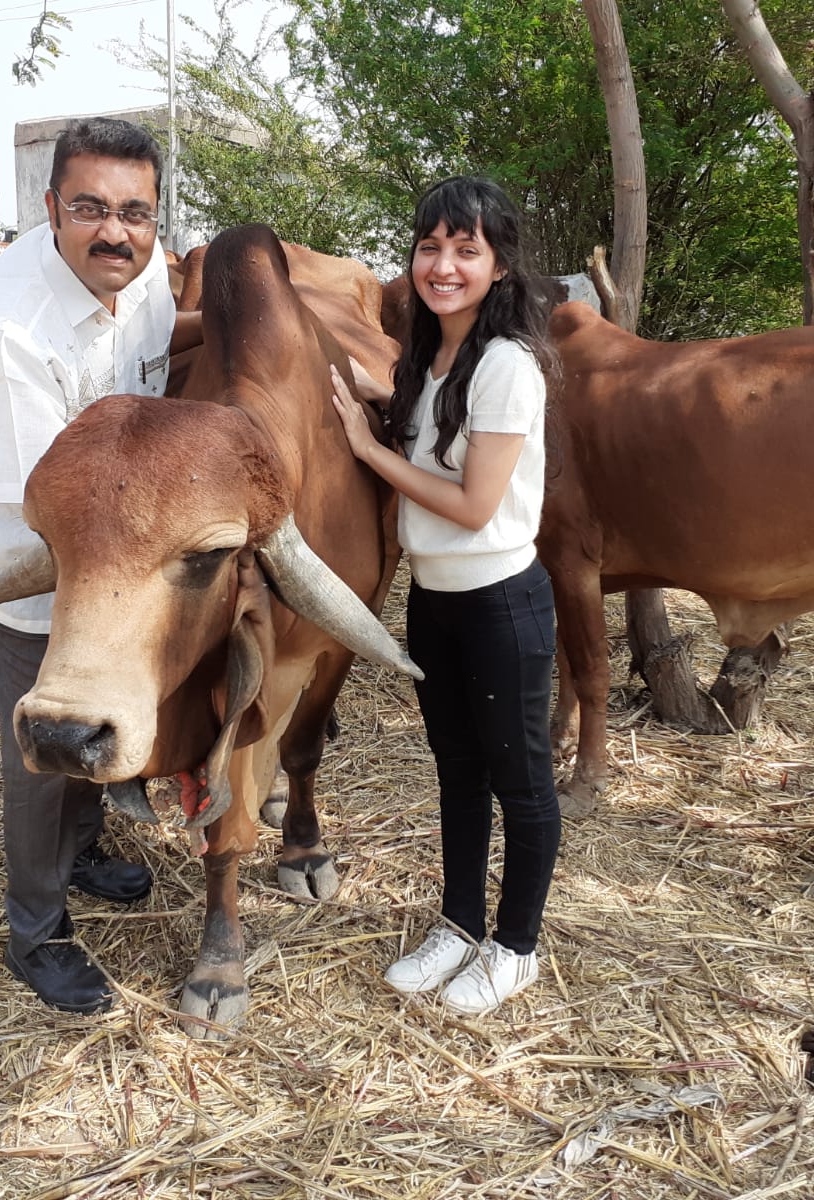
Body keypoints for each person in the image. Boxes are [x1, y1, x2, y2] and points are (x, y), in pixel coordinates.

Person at [0, 117, 200, 1015]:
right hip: (29, 563)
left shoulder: (148, 272)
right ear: (49, 209)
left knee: (105, 716)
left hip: (116, 555)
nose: (114, 232)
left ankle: (81, 854)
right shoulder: (6, 325)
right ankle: (36, 931)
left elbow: (160, 361)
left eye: (135, 211)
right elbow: (53, 506)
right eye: (88, 208)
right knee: (46, 745)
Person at [329, 175, 560, 1016]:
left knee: (521, 780)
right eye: (431, 246)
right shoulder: (431, 359)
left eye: (467, 249)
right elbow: (433, 439)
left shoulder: (507, 365)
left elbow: (471, 504)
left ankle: (516, 945)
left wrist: (366, 446)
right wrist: (375, 397)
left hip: (501, 604)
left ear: (498, 266)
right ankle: (460, 924)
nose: (444, 264)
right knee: (457, 773)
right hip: (435, 602)